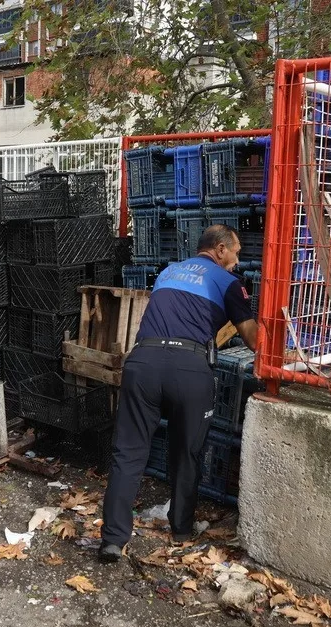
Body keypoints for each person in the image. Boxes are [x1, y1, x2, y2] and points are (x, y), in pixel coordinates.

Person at [99, 224, 257, 563]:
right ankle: (181, 530)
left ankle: (113, 539)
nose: (237, 260)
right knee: (187, 453)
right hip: (189, 369)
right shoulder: (229, 284)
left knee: (127, 452)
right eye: (235, 252)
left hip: (142, 362)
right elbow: (253, 338)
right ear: (219, 249)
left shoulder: (169, 272)